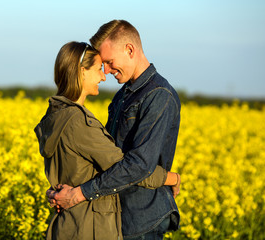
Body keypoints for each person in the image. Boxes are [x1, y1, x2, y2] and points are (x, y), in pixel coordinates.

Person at [47, 20, 181, 239]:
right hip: (118, 215)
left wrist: (78, 194)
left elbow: (139, 166)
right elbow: (106, 156)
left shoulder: (159, 95)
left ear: (129, 50)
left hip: (142, 218)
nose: (106, 71)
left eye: (109, 62)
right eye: (103, 65)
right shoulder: (123, 94)